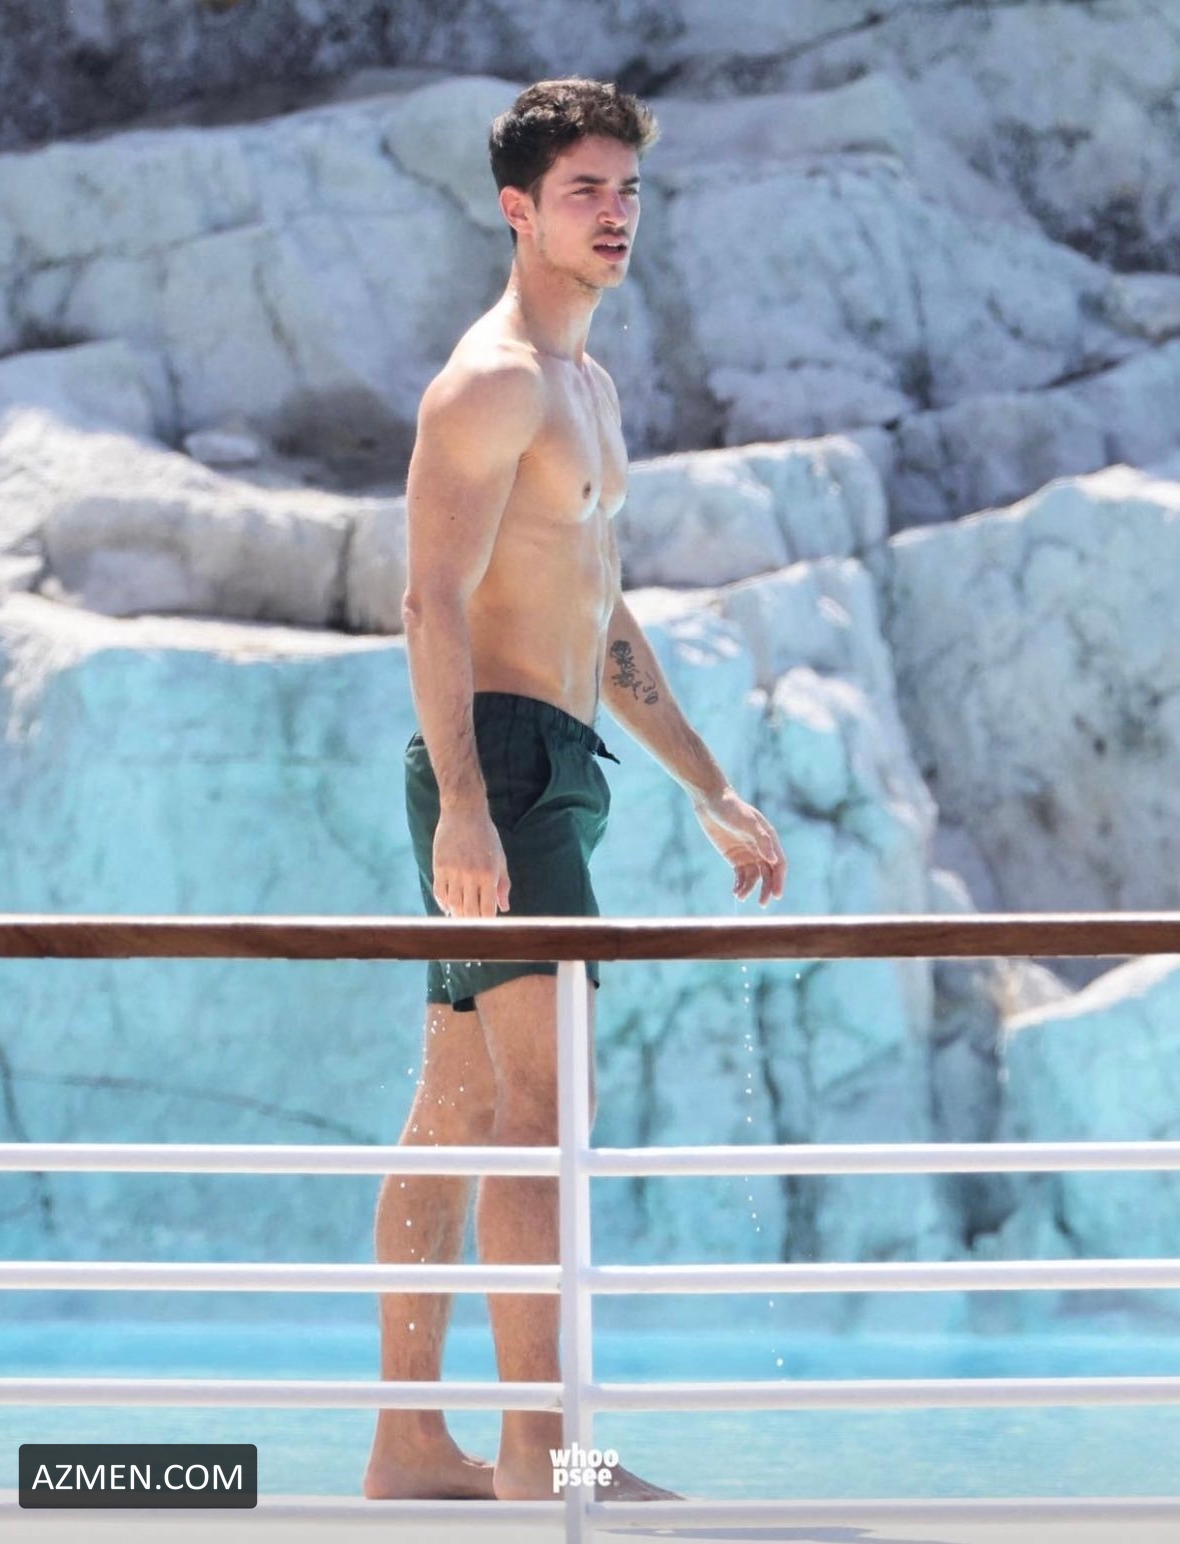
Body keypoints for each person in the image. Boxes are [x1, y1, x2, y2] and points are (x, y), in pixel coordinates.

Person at [362, 76, 787, 1505]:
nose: (615, 215)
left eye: (628, 190)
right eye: (584, 192)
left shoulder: (584, 389)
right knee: (541, 1117)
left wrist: (707, 786)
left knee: (458, 1110)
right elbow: (429, 599)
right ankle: (546, 1454)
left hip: (551, 766)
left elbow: (598, 613)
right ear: (517, 209)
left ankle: (411, 1443)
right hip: (498, 769)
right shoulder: (492, 381)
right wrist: (467, 806)